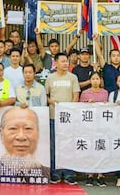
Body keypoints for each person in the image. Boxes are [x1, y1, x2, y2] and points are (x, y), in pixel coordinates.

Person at [45, 52, 79, 185]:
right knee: (54, 146)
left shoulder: (73, 77)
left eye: (67, 61)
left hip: (69, 118)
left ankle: (69, 173)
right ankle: (55, 173)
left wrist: (70, 107)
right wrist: (52, 101)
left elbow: (76, 95)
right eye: (63, 61)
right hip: (53, 116)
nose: (66, 63)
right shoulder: (50, 78)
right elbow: (46, 96)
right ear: (56, 62)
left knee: (69, 145)